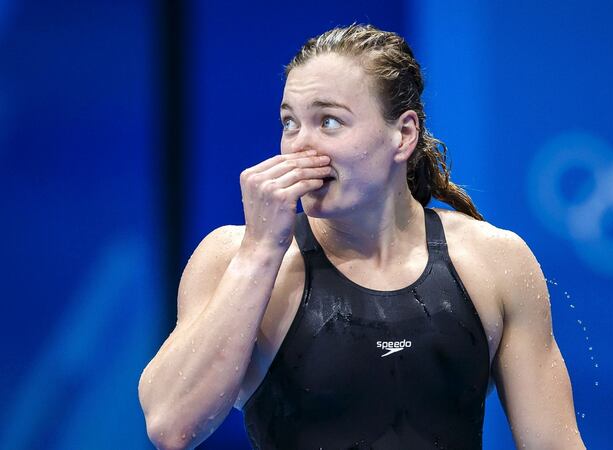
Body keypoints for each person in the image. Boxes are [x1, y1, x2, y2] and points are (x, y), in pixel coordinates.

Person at [139, 24, 586, 450]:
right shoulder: (233, 258)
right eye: (290, 122)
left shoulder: (495, 261)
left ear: (403, 135)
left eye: (329, 122)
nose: (300, 146)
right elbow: (172, 427)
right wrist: (260, 251)